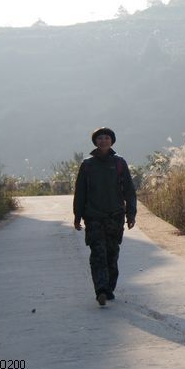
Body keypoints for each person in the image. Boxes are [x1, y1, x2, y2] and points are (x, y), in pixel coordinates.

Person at [73, 127, 137, 306]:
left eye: (106, 138)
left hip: (115, 217)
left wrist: (131, 213)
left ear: (112, 141)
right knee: (98, 253)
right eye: (99, 138)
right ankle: (101, 289)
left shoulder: (119, 163)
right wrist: (78, 215)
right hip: (93, 217)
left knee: (112, 254)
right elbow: (80, 192)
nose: (103, 141)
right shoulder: (87, 165)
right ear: (95, 142)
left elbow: (129, 191)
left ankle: (108, 288)